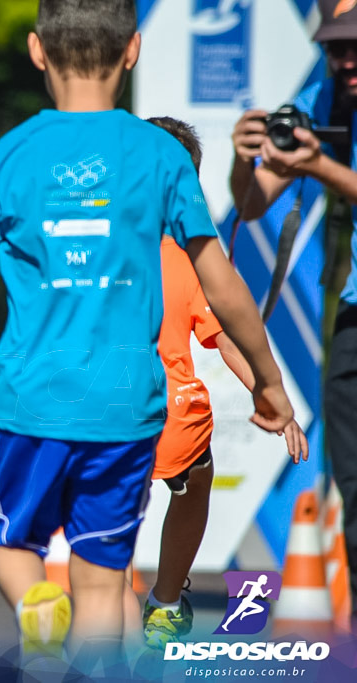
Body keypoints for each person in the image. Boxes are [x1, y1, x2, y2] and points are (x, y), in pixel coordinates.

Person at [0, 0, 295, 669]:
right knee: (104, 576)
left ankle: (33, 606)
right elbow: (221, 285)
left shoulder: (8, 156)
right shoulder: (160, 156)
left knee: (15, 548)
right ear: (132, 50)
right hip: (127, 406)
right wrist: (271, 379)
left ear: (36, 51)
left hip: (31, 399)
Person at [130, 117, 308, 652]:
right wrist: (273, 397)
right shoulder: (192, 254)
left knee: (108, 555)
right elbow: (230, 336)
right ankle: (163, 602)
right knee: (193, 482)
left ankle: (120, 632)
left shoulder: (98, 242)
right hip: (167, 419)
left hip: (104, 416)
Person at [230, 0, 357, 631]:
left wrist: (322, 167)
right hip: (356, 316)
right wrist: (241, 155)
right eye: (336, 48)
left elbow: (325, 172)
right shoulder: (325, 89)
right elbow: (252, 203)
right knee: (354, 486)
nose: (348, 61)